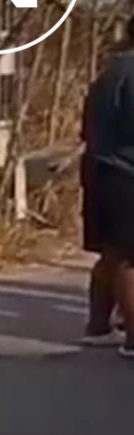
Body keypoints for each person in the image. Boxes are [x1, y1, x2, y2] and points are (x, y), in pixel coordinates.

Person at [79, 20, 134, 356]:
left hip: (100, 169)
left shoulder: (108, 74)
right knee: (130, 258)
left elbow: (85, 127)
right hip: (127, 171)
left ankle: (98, 325)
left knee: (113, 253)